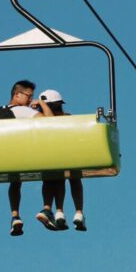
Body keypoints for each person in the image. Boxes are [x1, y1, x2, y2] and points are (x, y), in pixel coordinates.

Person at [0, 80, 50, 236]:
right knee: (52, 171)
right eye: (29, 96)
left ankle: (15, 215)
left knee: (15, 180)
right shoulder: (22, 111)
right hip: (19, 155)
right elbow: (49, 122)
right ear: (17, 95)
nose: (30, 100)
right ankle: (48, 209)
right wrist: (41, 104)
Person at [32, 90, 87, 232]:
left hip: (50, 156)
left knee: (53, 179)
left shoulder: (39, 119)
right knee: (75, 179)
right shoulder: (68, 117)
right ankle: (79, 213)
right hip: (72, 154)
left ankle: (59, 211)